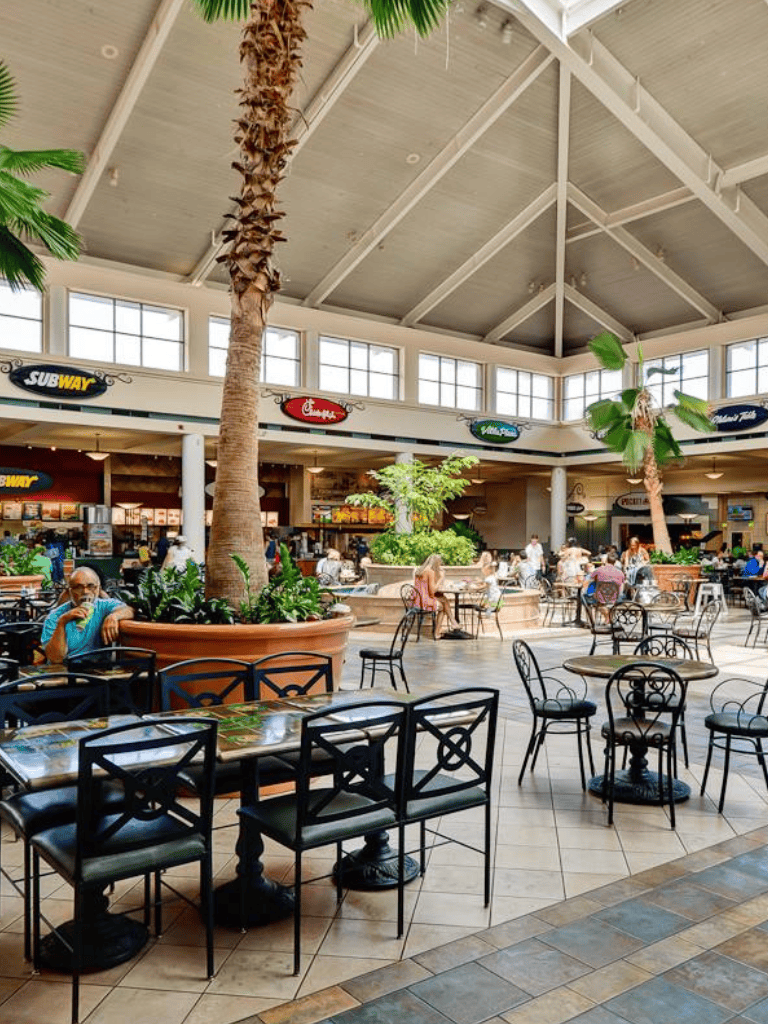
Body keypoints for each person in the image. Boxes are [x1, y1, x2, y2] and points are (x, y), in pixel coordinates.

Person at [41, 567, 134, 662]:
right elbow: (55, 659)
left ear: (99, 589)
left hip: (97, 669)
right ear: (70, 591)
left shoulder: (104, 606)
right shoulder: (55, 616)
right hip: (66, 671)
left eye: (91, 586)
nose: (85, 591)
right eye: (78, 587)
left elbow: (129, 610)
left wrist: (114, 616)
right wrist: (62, 622)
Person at [412, 553, 463, 638]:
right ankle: (437, 632)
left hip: (417, 600)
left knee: (443, 598)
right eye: (439, 564)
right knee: (443, 607)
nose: (439, 567)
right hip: (424, 602)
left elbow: (426, 589)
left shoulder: (420, 571)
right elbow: (432, 591)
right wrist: (440, 578)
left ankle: (453, 622)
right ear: (436, 564)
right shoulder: (430, 572)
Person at [583, 553, 625, 620]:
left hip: (600, 597)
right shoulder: (620, 572)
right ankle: (608, 618)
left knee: (585, 597)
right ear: (615, 562)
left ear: (606, 561)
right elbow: (622, 585)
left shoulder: (599, 570)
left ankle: (593, 620)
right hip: (615, 597)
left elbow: (591, 578)